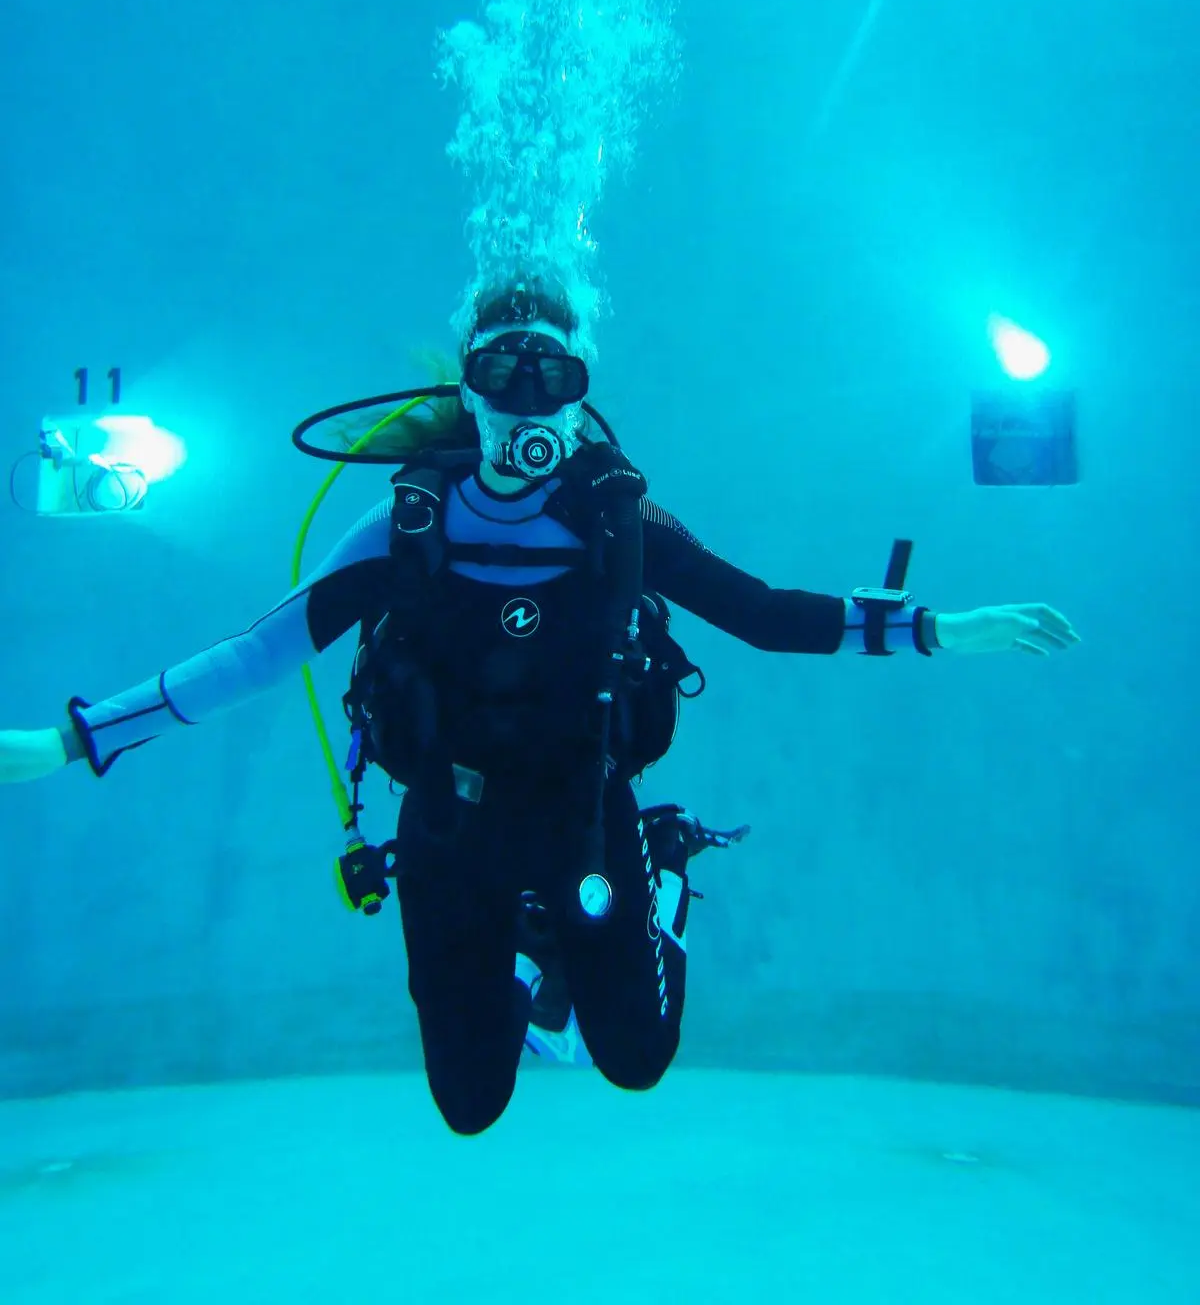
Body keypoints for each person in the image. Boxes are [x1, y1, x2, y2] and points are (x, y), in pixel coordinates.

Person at [0, 279, 1080, 1135]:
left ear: (577, 388)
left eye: (551, 371)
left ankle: (662, 868)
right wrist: (74, 738)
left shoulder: (619, 523)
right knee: (469, 1106)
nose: (525, 394)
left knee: (637, 1062)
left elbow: (760, 613)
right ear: (467, 388)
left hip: (585, 814)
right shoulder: (408, 522)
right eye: (500, 370)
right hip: (447, 827)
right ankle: (527, 943)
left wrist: (938, 628)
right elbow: (257, 652)